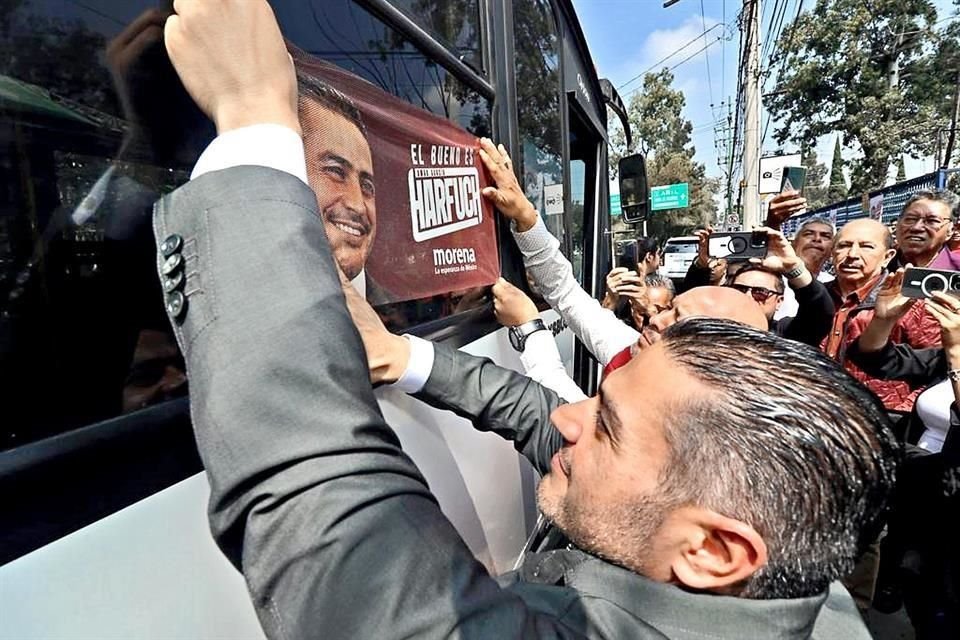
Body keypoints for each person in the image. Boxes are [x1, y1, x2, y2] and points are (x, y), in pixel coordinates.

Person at [159, 3, 893, 637]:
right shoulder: (785, 584)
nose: (569, 420)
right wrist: (404, 357)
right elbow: (539, 413)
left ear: (712, 553)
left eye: (604, 424)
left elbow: (320, 501)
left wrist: (253, 125)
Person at [823, 218, 941, 413]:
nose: (852, 254)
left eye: (866, 247)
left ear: (888, 256)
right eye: (844, 245)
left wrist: (899, 415)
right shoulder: (816, 300)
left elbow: (935, 369)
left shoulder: (908, 303)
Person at [682, 227, 835, 347]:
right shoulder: (712, 330)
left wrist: (793, 268)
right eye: (740, 290)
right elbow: (687, 305)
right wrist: (702, 264)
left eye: (760, 293)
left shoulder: (787, 336)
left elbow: (820, 312)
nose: (748, 297)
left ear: (779, 301)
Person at [888, 190, 959, 271]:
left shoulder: (956, 270)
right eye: (910, 219)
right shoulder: (877, 265)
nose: (916, 227)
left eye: (932, 221)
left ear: (951, 230)